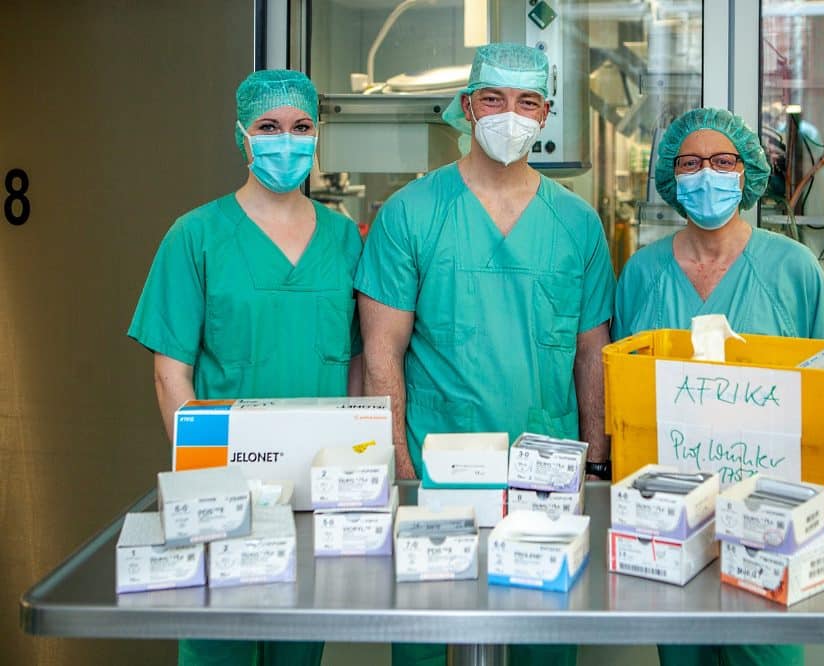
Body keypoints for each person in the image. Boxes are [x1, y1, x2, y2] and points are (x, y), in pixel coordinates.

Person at [355, 43, 615, 666]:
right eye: (493, 99)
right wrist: (401, 471)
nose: (510, 114)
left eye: (527, 102)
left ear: (545, 113)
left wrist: (595, 465)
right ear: (467, 107)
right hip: (434, 467)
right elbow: (381, 353)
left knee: (544, 641)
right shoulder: (412, 213)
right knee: (423, 636)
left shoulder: (577, 223)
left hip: (546, 471)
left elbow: (591, 353)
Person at [128, 69, 363, 666]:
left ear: (318, 134)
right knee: (219, 641)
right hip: (224, 493)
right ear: (243, 136)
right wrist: (207, 484)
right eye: (270, 126)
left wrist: (352, 475)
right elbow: (170, 374)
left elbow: (358, 367)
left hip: (313, 491)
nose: (287, 140)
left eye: (301, 127)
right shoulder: (196, 236)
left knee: (299, 645)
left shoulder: (344, 239)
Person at [613, 107, 824, 666]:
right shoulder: (642, 274)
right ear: (671, 178)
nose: (706, 175)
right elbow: (623, 394)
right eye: (690, 164)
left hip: (770, 525)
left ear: (746, 173)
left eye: (722, 161)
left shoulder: (793, 269)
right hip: (672, 522)